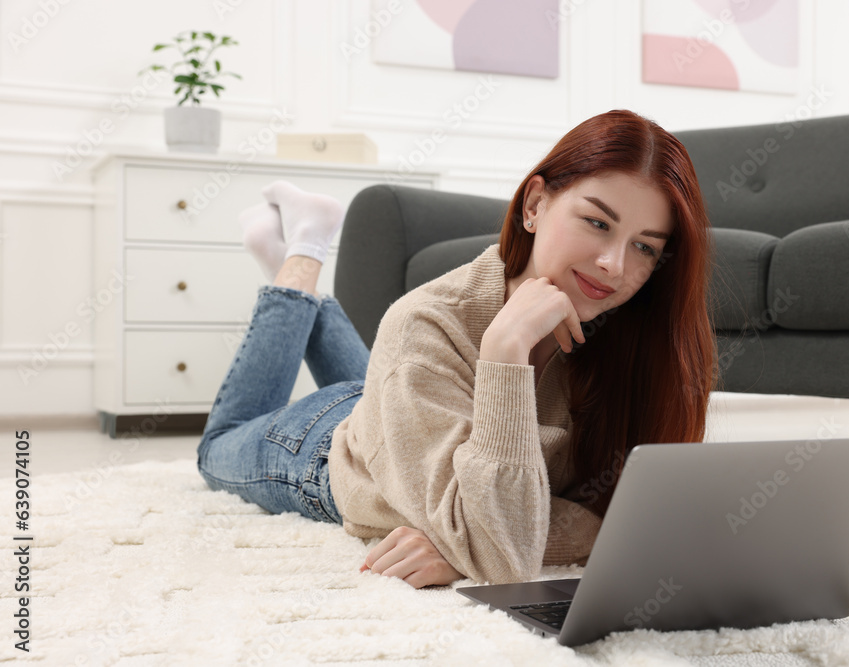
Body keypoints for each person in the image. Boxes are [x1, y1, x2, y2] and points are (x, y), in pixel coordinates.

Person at [196, 109, 716, 590]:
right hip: (326, 448)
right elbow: (504, 554)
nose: (613, 264)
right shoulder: (424, 324)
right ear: (535, 205)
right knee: (217, 446)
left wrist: (468, 539)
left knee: (398, 384)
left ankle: (295, 274)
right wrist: (504, 353)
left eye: (645, 247)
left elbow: (627, 519)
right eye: (598, 222)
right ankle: (300, 257)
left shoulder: (625, 334)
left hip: (414, 414)